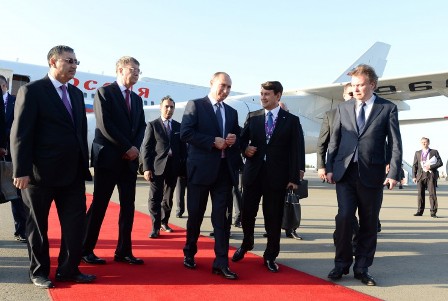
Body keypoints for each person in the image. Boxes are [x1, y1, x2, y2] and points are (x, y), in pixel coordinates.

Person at [11, 45, 95, 288]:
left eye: (76, 62)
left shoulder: (77, 95)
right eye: (69, 61)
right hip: (39, 175)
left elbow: (79, 133)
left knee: (74, 225)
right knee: (37, 226)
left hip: (72, 175)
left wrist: (84, 165)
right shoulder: (33, 91)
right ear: (52, 62)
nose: (74, 66)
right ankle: (39, 272)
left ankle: (69, 269)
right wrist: (21, 170)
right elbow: (20, 134)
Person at [326, 64, 402, 286]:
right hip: (346, 173)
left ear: (372, 85)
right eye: (354, 85)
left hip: (372, 173)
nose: (357, 89)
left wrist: (394, 171)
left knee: (369, 222)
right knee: (344, 217)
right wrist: (330, 166)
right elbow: (334, 141)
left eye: (361, 85)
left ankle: (362, 267)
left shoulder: (387, 108)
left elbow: (395, 143)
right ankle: (341, 264)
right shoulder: (343, 108)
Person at [82, 56, 146, 265]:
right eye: (132, 69)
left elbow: (141, 126)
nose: (136, 73)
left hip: (129, 161)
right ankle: (85, 248)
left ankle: (124, 251)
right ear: (120, 70)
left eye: (139, 70)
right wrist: (127, 147)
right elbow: (105, 125)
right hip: (109, 158)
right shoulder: (104, 92)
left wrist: (135, 148)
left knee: (128, 207)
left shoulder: (136, 99)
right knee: (100, 204)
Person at [232, 81, 302, 273]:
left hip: (277, 177)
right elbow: (241, 140)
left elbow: (297, 150)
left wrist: (294, 178)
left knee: (273, 218)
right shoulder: (253, 117)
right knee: (247, 215)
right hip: (253, 175)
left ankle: (270, 255)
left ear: (278, 96)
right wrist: (245, 149)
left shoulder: (291, 120)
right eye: (261, 93)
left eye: (267, 94)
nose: (262, 97)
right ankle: (246, 244)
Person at [180, 72, 241, 280]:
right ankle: (189, 252)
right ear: (212, 83)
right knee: (195, 215)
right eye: (222, 85)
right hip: (200, 170)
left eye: (229, 87)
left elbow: (237, 136)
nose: (225, 90)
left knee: (221, 220)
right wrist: (211, 141)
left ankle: (221, 262)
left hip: (223, 172)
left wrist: (234, 138)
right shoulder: (196, 105)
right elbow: (185, 133)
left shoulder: (232, 112)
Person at [318, 84, 360, 248]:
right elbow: (324, 143)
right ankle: (345, 239)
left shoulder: (364, 114)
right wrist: (323, 167)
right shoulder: (331, 114)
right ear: (344, 96)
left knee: (357, 210)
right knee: (346, 210)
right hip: (341, 169)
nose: (353, 96)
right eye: (349, 93)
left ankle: (349, 237)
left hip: (362, 170)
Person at [141, 96, 186, 238]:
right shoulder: (153, 125)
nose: (169, 109)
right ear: (161, 107)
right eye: (166, 106)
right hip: (156, 167)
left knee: (168, 197)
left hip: (173, 167)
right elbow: (146, 148)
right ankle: (155, 227)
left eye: (172, 107)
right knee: (155, 197)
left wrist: (184, 168)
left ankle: (164, 222)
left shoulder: (178, 126)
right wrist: (146, 168)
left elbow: (183, 149)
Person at [1, 75, 26, 243]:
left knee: (16, 194)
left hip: (11, 153)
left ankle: (21, 230)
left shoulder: (16, 101)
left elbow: (20, 124)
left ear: (5, 85)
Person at [279, 101, 304, 240]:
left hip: (291, 169)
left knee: (292, 201)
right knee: (274, 203)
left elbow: (300, 146)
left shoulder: (293, 122)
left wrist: (300, 168)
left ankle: (292, 229)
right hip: (274, 170)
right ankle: (273, 228)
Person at [412, 137, 443, 218]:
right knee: (420, 194)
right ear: (420, 143)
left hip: (430, 175)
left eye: (425, 142)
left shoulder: (434, 152)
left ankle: (433, 212)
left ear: (428, 143)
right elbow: (415, 165)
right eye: (422, 142)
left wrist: (431, 166)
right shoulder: (417, 153)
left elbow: (440, 163)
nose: (424, 143)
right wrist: (414, 176)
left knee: (432, 194)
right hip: (420, 176)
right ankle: (419, 211)